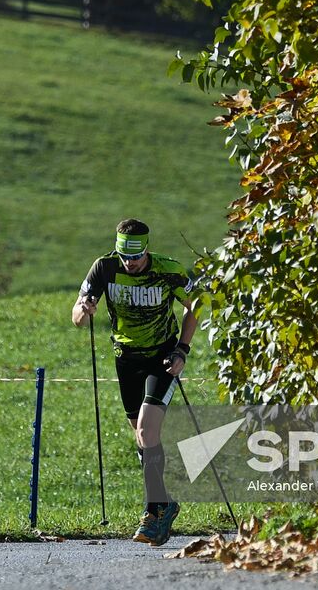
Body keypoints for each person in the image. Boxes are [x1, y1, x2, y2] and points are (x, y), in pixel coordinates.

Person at [71, 217, 199, 546]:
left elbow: (197, 305)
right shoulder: (104, 268)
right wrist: (84, 309)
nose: (130, 263)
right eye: (125, 257)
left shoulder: (168, 270)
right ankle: (166, 503)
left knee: (146, 429)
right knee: (143, 440)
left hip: (162, 358)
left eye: (136, 257)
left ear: (147, 250)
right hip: (126, 359)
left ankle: (154, 511)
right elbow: (76, 316)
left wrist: (182, 349)